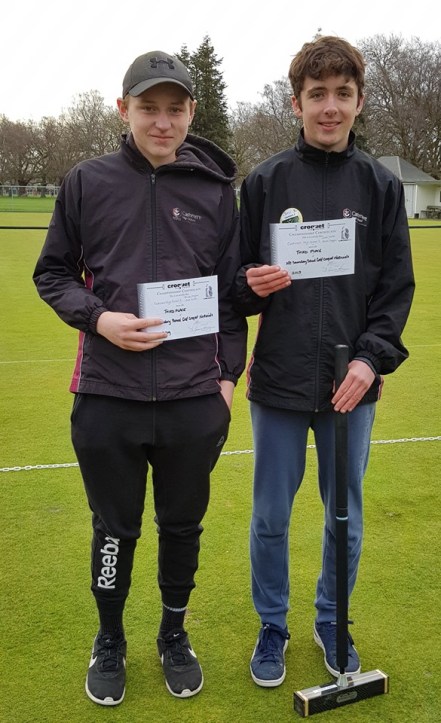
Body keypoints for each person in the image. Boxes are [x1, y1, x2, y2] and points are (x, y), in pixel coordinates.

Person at [33, 50, 246, 705]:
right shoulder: (86, 181)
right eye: (148, 108)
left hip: (192, 398)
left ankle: (173, 634)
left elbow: (230, 297)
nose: (162, 122)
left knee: (182, 527)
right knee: (114, 529)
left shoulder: (216, 191)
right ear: (123, 109)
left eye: (174, 109)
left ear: (191, 112)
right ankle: (110, 638)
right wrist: (100, 320)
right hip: (108, 396)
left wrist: (226, 381)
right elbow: (52, 273)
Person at [233, 35, 415, 688]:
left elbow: (395, 289)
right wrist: (248, 284)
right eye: (317, 94)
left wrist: (370, 360)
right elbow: (233, 283)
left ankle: (332, 619)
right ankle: (272, 626)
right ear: (296, 103)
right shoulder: (264, 182)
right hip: (279, 384)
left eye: (342, 93)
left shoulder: (380, 186)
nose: (329, 106)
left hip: (351, 387)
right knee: (269, 518)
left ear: (359, 101)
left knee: (346, 518)